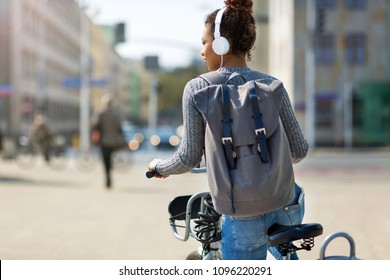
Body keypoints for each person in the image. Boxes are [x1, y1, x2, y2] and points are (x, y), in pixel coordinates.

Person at [147, 0, 309, 260]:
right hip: (287, 205)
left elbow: (188, 158)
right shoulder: (273, 85)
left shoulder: (198, 89)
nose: (202, 51)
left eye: (204, 42)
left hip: (242, 213)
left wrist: (158, 167)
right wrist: (264, 166)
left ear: (221, 43)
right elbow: (299, 149)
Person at [92, 94, 125, 189]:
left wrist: (94, 139)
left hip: (104, 141)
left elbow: (95, 126)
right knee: (109, 158)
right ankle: (109, 172)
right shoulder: (116, 114)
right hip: (114, 142)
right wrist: (122, 140)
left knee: (105, 160)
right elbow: (120, 129)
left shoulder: (100, 113)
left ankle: (108, 176)